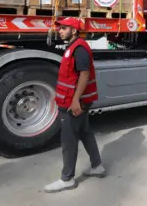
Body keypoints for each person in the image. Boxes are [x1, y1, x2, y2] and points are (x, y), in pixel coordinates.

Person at [45, 17, 105, 193]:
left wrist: (75, 100)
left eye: (63, 28)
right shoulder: (73, 47)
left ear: (74, 30)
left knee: (69, 140)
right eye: (60, 28)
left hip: (75, 103)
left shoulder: (79, 50)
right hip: (75, 100)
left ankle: (67, 178)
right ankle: (97, 166)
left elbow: (84, 75)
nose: (59, 31)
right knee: (85, 133)